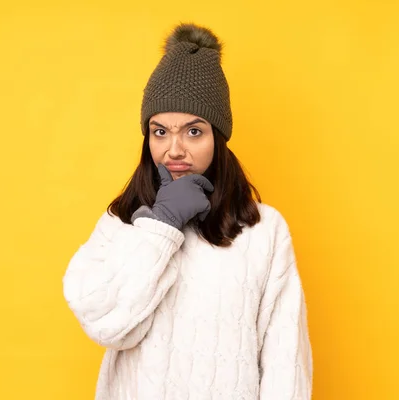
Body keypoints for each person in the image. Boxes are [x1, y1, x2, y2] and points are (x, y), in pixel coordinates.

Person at [62, 22, 313, 399]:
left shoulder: (264, 230)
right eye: (160, 131)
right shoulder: (122, 222)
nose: (174, 149)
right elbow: (105, 324)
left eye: (193, 131)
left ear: (218, 136)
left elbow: (285, 363)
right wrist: (161, 225)